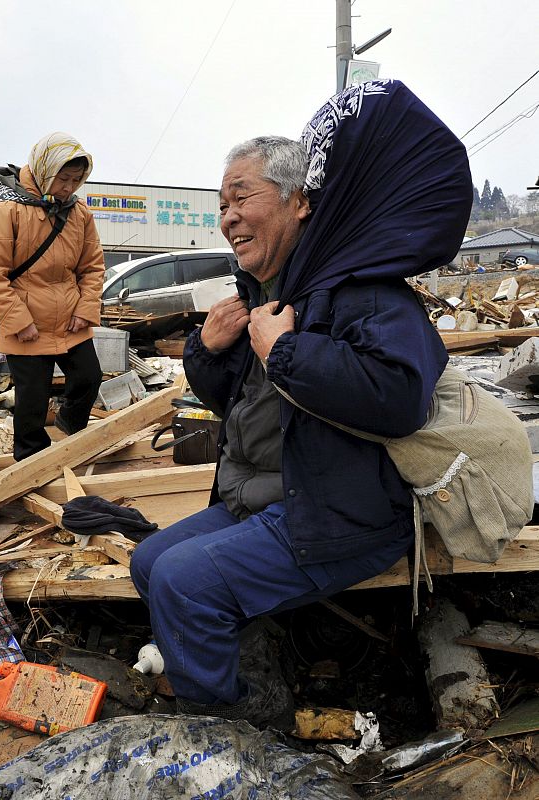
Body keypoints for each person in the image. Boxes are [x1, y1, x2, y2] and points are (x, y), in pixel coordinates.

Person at [130, 80, 473, 730]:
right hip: (266, 495)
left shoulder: (360, 288)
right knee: (150, 562)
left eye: (241, 198)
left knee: (182, 581)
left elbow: (400, 394)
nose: (226, 217)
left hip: (340, 513)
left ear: (299, 203)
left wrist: (286, 352)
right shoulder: (267, 293)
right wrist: (208, 349)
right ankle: (257, 667)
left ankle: (235, 732)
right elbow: (232, 402)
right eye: (221, 204)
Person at [0, 132, 104, 461]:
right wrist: (19, 322)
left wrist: (85, 309)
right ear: (45, 171)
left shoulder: (80, 214)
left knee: (89, 377)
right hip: (26, 324)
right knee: (32, 401)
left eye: (77, 180)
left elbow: (92, 268)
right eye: (63, 179)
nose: (69, 188)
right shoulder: (7, 211)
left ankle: (69, 426)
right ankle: (30, 462)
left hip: (69, 321)